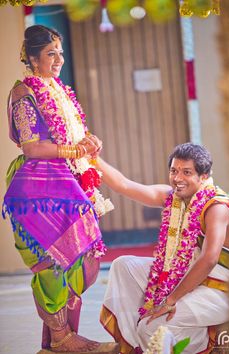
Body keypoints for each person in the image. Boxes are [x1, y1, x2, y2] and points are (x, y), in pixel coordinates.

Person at [2, 25, 119, 353]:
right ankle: (60, 339)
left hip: (69, 183)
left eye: (60, 52)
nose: (59, 59)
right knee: (53, 264)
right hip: (41, 188)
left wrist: (88, 144)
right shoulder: (23, 93)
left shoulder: (57, 89)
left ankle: (60, 341)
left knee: (85, 264)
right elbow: (31, 147)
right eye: (51, 53)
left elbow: (69, 136)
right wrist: (75, 150)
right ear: (32, 57)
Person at [98, 143, 229, 354]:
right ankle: (135, 345)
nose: (178, 178)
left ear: (204, 176)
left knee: (153, 330)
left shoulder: (216, 207)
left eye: (186, 172)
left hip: (224, 290)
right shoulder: (173, 198)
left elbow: (209, 259)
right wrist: (92, 157)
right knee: (123, 265)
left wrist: (170, 301)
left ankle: (196, 341)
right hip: (193, 278)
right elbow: (123, 185)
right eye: (174, 171)